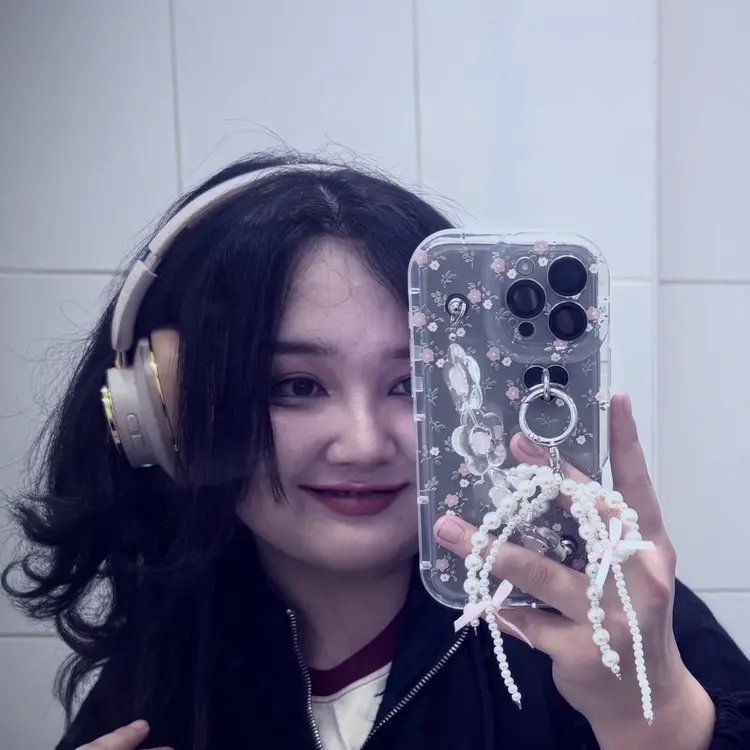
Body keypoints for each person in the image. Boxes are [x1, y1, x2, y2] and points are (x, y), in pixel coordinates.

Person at [2, 152, 749, 750]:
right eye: (296, 386)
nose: (363, 443)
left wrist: (660, 726)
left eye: (412, 386)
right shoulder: (165, 663)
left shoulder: (611, 624)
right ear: (165, 414)